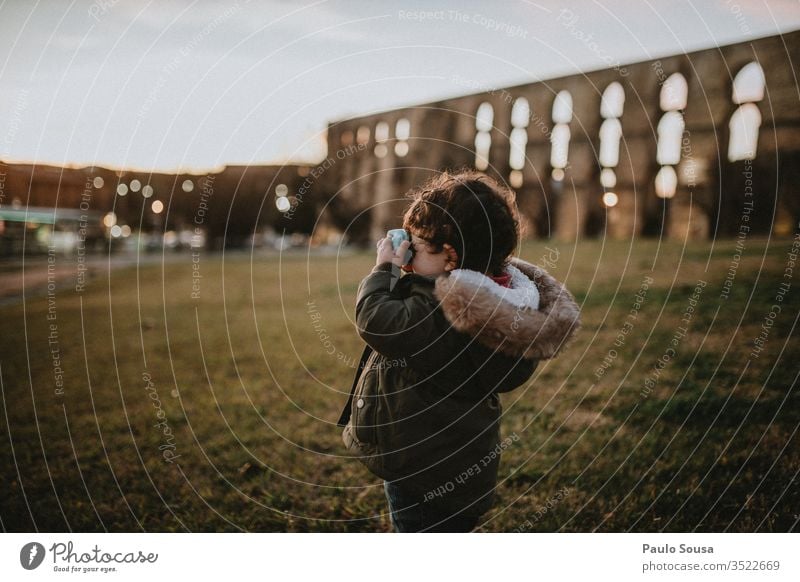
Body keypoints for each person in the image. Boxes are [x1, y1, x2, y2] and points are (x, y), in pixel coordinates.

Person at [337, 170, 581, 532]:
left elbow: (377, 321)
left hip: (419, 471)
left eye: (414, 246)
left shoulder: (441, 309)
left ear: (449, 257)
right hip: (463, 472)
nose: (405, 255)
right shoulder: (506, 302)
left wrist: (384, 269)